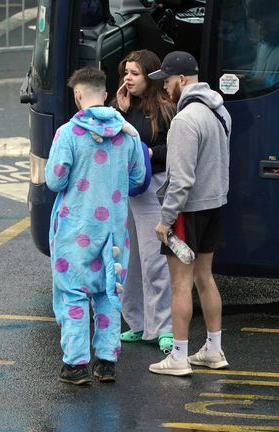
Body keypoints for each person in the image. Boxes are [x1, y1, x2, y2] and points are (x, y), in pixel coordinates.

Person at [46, 67, 146, 385]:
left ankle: (75, 365)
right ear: (104, 94)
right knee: (108, 293)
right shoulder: (128, 134)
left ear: (78, 95)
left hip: (75, 227)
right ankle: (106, 362)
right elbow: (138, 179)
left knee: (73, 293)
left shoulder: (68, 134)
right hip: (113, 227)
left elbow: (54, 179)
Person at [146, 51, 231, 376]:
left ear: (181, 79)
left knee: (180, 284)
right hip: (214, 205)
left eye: (166, 81)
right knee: (205, 277)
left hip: (186, 212)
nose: (165, 88)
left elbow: (180, 180)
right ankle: (213, 348)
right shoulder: (220, 111)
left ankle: (178, 356)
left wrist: (165, 220)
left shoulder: (184, 121)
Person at [112, 49, 176, 354]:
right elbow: (111, 140)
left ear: (149, 77)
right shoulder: (123, 107)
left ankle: (162, 327)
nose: (127, 78)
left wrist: (151, 153)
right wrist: (120, 111)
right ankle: (137, 323)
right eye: (126, 72)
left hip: (153, 189)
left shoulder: (165, 108)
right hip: (127, 190)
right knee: (128, 260)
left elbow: (175, 147)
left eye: (134, 73)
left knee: (155, 261)